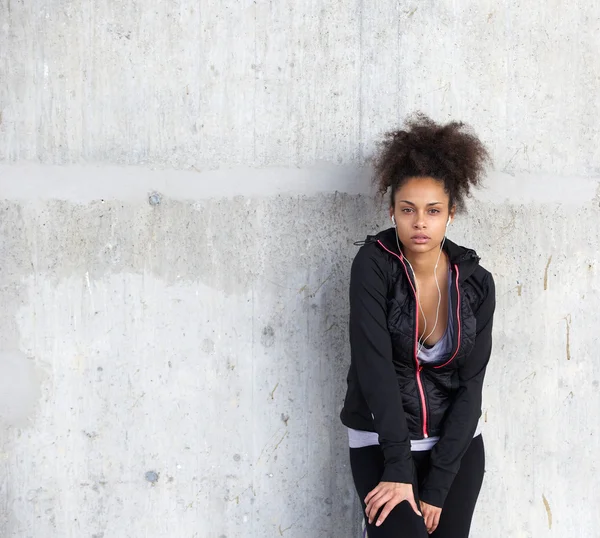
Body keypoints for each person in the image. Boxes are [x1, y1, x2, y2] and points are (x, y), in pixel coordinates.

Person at [340, 114, 496, 537]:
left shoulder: (477, 282)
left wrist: (439, 486)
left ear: (451, 214)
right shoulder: (374, 266)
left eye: (433, 211)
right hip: (381, 443)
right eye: (407, 210)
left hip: (456, 450)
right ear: (392, 211)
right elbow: (375, 371)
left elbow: (471, 386)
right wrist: (398, 467)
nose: (419, 222)